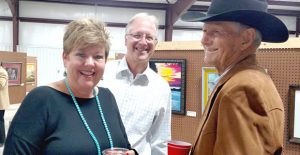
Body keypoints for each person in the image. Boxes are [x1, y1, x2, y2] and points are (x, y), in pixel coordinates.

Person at [4, 18, 137, 155]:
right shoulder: (41, 100)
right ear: (65, 58)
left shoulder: (107, 98)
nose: (90, 63)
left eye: (98, 56)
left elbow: (124, 146)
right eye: (81, 55)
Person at [182, 0, 289, 154]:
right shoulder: (253, 80)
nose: (204, 40)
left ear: (246, 38)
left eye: (215, 32)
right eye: (204, 31)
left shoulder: (239, 90)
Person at [100, 13, 172, 155]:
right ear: (125, 40)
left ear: (155, 44)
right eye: (137, 35)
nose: (143, 42)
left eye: (149, 37)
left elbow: (160, 142)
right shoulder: (102, 74)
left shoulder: (161, 88)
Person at [0, 62, 10, 147]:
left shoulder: (2, 71)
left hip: (0, 103)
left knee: (0, 121)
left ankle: (2, 141)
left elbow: (1, 84)